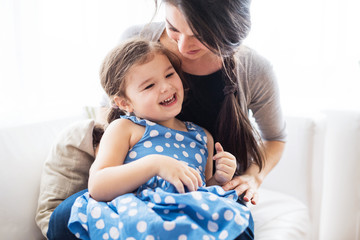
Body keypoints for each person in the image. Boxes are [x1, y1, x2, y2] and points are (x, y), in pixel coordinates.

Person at [38, 0, 286, 239]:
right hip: (130, 192)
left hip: (187, 200)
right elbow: (108, 124)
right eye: (174, 28)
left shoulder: (206, 132)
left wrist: (245, 177)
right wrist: (135, 166)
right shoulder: (137, 48)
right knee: (65, 218)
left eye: (200, 34)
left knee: (239, 222)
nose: (182, 47)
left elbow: (212, 182)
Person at [68, 37, 252, 239]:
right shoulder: (125, 128)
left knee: (238, 215)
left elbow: (203, 189)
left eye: (169, 74)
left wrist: (219, 178)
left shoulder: (202, 136)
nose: (165, 87)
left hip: (189, 216)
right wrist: (155, 165)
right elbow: (97, 185)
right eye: (149, 86)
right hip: (142, 213)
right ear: (124, 103)